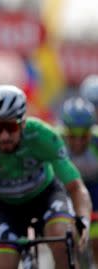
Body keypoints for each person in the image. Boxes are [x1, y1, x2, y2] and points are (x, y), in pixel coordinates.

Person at [0, 85, 92, 269]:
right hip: (5, 207)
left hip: (46, 196)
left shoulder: (43, 135)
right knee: (0, 264)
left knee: (63, 241)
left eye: (11, 127)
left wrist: (83, 219)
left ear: (23, 122)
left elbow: (75, 186)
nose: (5, 136)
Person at [59, 96, 98, 267]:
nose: (78, 141)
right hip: (65, 190)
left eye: (84, 135)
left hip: (94, 190)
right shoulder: (55, 141)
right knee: (66, 240)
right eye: (73, 135)